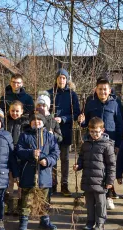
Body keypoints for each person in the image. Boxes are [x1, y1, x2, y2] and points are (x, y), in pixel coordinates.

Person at [78, 77, 123, 210]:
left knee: (108, 169)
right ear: (96, 90)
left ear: (109, 90)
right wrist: (81, 121)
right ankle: (90, 196)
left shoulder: (115, 103)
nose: (102, 92)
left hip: (110, 142)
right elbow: (85, 123)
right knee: (92, 168)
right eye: (100, 89)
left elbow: (119, 124)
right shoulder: (90, 102)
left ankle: (108, 196)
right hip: (92, 142)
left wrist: (118, 143)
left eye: (105, 89)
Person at [16, 112, 60, 230]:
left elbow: (56, 153)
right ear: (30, 123)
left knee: (44, 199)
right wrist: (31, 153)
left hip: (44, 175)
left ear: (43, 122)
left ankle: (44, 221)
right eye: (34, 120)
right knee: (26, 199)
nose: (37, 122)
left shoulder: (50, 137)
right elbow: (19, 151)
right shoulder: (24, 136)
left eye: (39, 120)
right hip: (28, 173)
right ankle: (23, 221)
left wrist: (47, 160)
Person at [73, 117, 116, 230]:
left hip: (101, 181)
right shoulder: (85, 144)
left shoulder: (107, 145)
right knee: (89, 203)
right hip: (87, 179)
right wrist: (78, 166)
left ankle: (100, 223)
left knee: (101, 203)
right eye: (92, 132)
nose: (94, 134)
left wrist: (110, 181)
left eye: (97, 132)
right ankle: (90, 221)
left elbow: (111, 164)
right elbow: (82, 158)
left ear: (102, 130)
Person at [47, 68, 80, 196]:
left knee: (65, 158)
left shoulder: (72, 95)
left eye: (64, 78)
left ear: (67, 80)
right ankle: (53, 183)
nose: (61, 80)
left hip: (65, 130)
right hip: (52, 130)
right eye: (59, 77)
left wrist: (64, 119)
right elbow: (42, 110)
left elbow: (76, 113)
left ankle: (65, 184)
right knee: (53, 157)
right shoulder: (50, 93)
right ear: (56, 79)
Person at [36, 91, 63, 194]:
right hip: (37, 151)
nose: (41, 107)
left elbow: (60, 137)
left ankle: (51, 189)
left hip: (48, 151)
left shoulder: (53, 120)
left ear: (47, 106)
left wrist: (53, 134)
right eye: (39, 105)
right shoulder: (34, 118)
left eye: (43, 105)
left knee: (50, 171)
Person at [4, 101, 29, 216]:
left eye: (17, 111)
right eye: (12, 111)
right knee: (9, 181)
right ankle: (9, 205)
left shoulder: (25, 124)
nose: (14, 113)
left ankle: (20, 205)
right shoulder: (5, 122)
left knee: (20, 182)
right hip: (8, 154)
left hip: (20, 155)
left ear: (22, 111)